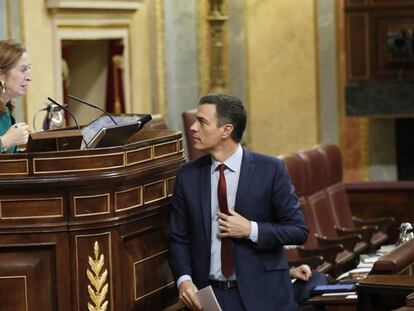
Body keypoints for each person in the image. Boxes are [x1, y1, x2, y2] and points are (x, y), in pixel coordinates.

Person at [169, 94, 309, 311]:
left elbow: (297, 230)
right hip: (209, 299)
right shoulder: (187, 175)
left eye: (202, 122)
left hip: (264, 298)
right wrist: (184, 279)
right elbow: (179, 238)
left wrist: (250, 229)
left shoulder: (271, 170)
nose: (193, 128)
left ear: (226, 130)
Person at [0, 40, 31, 153]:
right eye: (23, 69)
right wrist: (6, 141)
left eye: (29, 68)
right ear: (2, 76)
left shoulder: (5, 109)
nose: (29, 77)